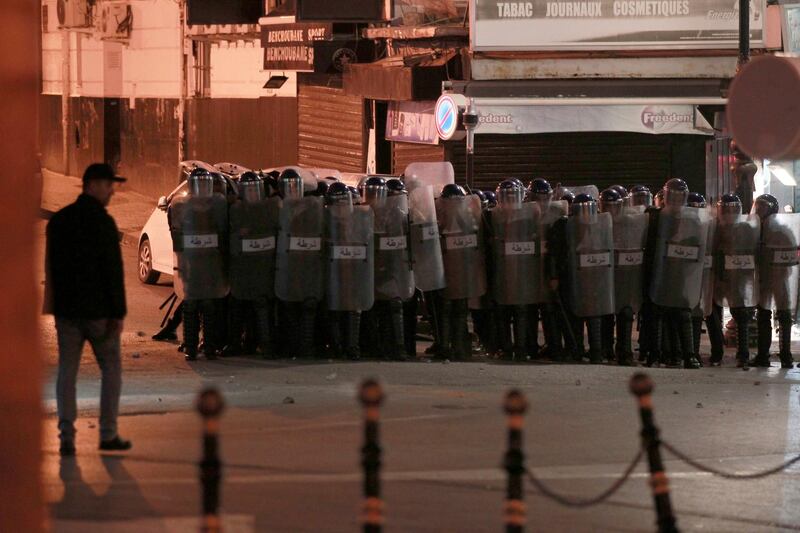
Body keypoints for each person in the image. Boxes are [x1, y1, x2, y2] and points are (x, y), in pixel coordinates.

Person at [45, 163, 132, 456]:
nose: (111, 192)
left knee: (67, 372)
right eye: (108, 185)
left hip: (67, 313)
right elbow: (113, 271)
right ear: (93, 185)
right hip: (98, 314)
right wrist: (118, 313)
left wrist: (56, 306)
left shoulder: (59, 222)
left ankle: (66, 436)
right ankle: (108, 433)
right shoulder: (103, 223)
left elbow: (53, 270)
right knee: (111, 369)